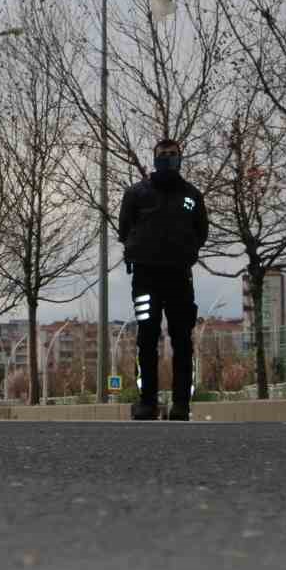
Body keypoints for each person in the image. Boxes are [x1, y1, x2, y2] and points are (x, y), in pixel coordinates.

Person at [117, 137, 208, 421]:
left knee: (182, 340)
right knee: (147, 337)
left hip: (179, 276)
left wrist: (184, 250)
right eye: (163, 154)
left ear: (180, 158)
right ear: (153, 158)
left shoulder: (192, 196)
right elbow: (124, 229)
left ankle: (181, 404)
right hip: (146, 277)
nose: (168, 158)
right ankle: (148, 403)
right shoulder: (136, 194)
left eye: (172, 154)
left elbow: (201, 232)